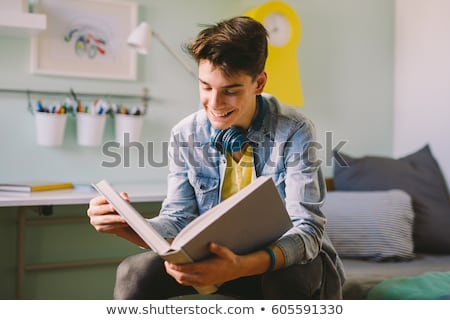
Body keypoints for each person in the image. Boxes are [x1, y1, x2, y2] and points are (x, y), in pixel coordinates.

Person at [87, 16, 345, 299]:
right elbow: (177, 219)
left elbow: (306, 231)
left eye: (230, 91)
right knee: (133, 273)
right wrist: (127, 225)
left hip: (280, 263)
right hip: (217, 262)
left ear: (259, 83)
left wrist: (238, 266)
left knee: (283, 280)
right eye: (206, 87)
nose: (214, 103)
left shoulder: (294, 130)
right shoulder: (186, 134)